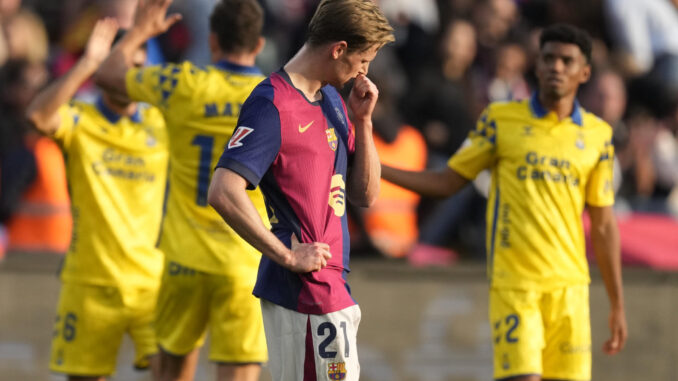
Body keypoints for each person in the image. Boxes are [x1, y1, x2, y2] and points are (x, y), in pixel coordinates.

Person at [382, 24, 627, 381]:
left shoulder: (598, 137)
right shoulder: (500, 120)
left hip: (570, 289)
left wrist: (618, 305)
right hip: (516, 286)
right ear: (537, 65)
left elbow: (604, 226)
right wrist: (377, 169)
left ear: (584, 72)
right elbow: (448, 181)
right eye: (548, 58)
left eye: (567, 60)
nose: (556, 67)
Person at [206, 1, 394, 380]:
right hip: (307, 294)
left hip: (331, 289)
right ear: (338, 49)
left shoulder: (333, 101)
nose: (365, 72)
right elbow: (224, 190)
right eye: (363, 59)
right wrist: (288, 257)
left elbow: (366, 196)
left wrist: (365, 122)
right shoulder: (271, 103)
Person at [95, 0, 269, 380]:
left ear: (212, 42)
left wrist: (140, 31)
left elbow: (107, 75)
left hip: (182, 259)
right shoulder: (274, 97)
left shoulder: (181, 83)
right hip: (245, 262)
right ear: (259, 45)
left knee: (171, 368)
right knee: (238, 369)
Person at [26, 19, 169, 381]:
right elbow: (38, 115)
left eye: (137, 67)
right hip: (90, 283)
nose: (128, 76)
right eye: (121, 67)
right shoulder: (80, 119)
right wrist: (89, 62)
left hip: (150, 283)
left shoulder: (160, 122)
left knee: (171, 373)